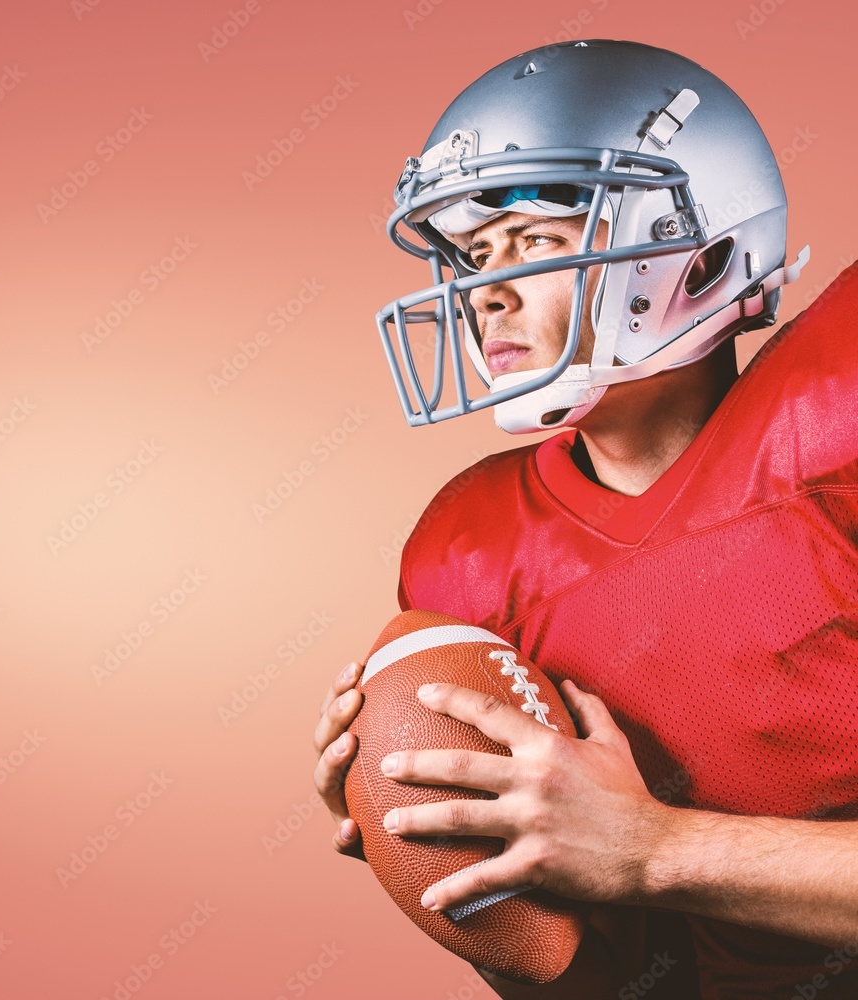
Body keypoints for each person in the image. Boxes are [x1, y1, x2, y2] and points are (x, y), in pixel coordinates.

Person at [313, 39, 858, 998]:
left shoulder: (837, 416)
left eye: (538, 240)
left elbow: (638, 857)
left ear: (706, 250)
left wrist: (656, 849)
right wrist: (457, 856)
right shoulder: (468, 550)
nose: (490, 289)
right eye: (476, 254)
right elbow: (607, 977)